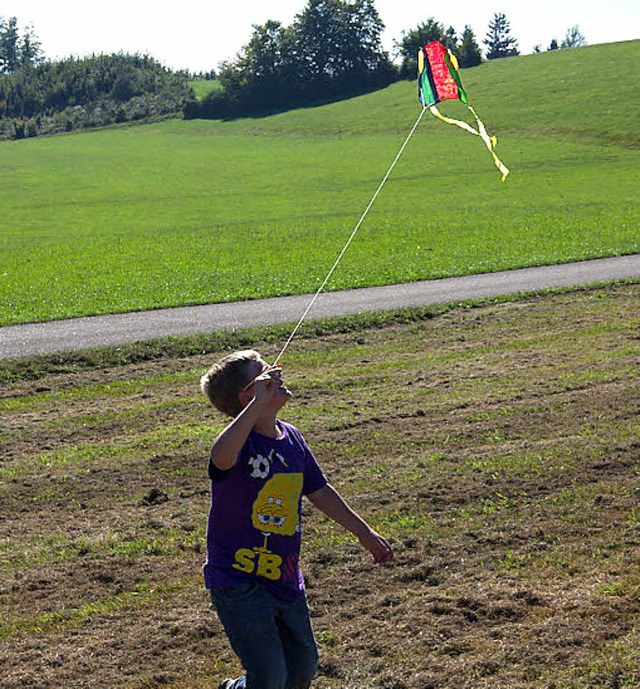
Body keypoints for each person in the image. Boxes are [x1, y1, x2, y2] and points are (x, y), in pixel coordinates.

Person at [200, 349, 394, 689]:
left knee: (302, 669)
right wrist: (253, 408)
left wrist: (364, 533)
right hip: (238, 579)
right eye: (266, 374)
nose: (278, 373)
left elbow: (319, 491)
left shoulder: (291, 438)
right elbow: (220, 457)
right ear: (248, 395)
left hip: (285, 576)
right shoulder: (239, 443)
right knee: (271, 677)